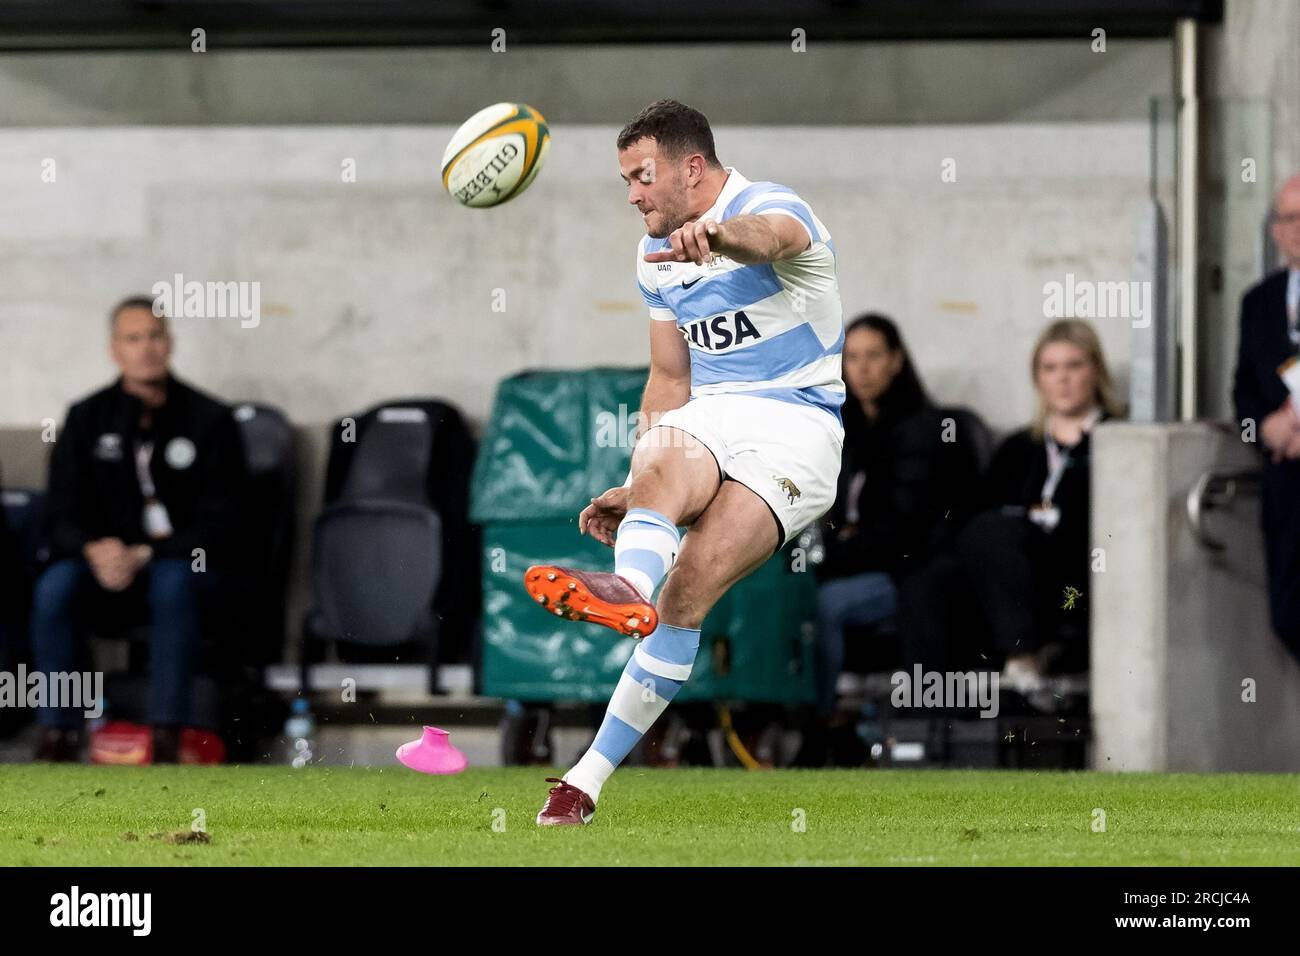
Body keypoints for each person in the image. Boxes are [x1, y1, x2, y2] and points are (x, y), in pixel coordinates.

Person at [521, 99, 845, 824]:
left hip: (800, 428)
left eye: (642, 176)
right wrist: (641, 488)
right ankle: (583, 777)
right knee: (663, 447)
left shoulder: (770, 208)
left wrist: (721, 237)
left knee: (689, 592)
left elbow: (774, 239)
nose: (632, 194)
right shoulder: (653, 253)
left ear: (691, 167)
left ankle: (635, 604)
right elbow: (670, 382)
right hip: (715, 415)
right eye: (626, 180)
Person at [31, 296, 246, 762]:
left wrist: (145, 553)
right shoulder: (87, 417)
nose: (145, 348)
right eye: (133, 338)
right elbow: (60, 513)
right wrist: (93, 549)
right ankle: (58, 733)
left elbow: (224, 522)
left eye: (154, 336)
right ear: (115, 349)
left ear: (169, 344)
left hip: (179, 567)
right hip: (103, 569)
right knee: (54, 586)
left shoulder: (211, 420)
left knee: (174, 582)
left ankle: (167, 732)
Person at [799, 313, 954, 764]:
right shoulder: (841, 429)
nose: (861, 368)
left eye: (874, 356)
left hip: (904, 575)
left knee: (825, 605)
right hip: (849, 562)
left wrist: (836, 551)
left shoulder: (923, 431)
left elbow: (903, 531)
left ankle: (819, 723)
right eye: (852, 357)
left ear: (897, 362)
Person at [955, 319, 1123, 690]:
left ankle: (1024, 657)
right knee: (944, 567)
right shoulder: (1017, 448)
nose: (1062, 379)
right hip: (1016, 577)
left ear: (1096, 370)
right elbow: (980, 519)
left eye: (1073, 365)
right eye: (1050, 368)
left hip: (1083, 572)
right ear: (1038, 379)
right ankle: (939, 713)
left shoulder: (1121, 442)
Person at [1233, 174, 1300, 661]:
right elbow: (1244, 396)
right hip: (1288, 489)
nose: (1299, 228)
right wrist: (1267, 427)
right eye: (1289, 218)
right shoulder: (1259, 303)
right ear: (1275, 230)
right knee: (1292, 618)